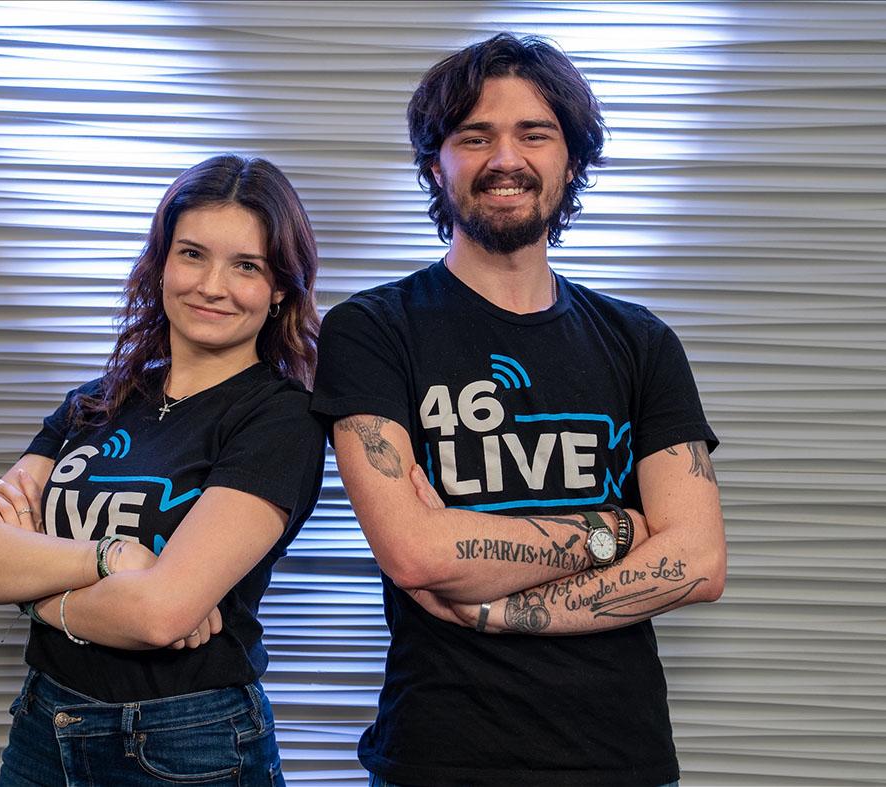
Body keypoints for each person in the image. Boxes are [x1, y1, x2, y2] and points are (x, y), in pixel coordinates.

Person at [311, 34, 726, 787]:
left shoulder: (641, 341)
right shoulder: (373, 329)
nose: (506, 157)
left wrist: (493, 606)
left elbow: (697, 561)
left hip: (620, 759)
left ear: (572, 160)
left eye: (535, 132)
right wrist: (620, 528)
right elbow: (415, 553)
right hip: (439, 756)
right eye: (475, 136)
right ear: (436, 165)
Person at [0, 154, 326, 786]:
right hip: (43, 723)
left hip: (189, 742)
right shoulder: (95, 402)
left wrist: (29, 587)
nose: (211, 285)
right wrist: (116, 561)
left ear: (280, 286)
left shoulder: (279, 420)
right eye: (193, 254)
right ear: (162, 261)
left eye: (247, 266)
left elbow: (159, 615)